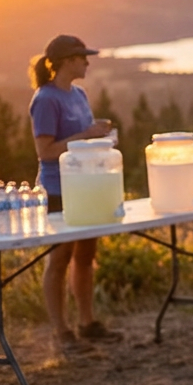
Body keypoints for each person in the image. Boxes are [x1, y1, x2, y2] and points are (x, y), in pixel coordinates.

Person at [28, 35, 118, 348]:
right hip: (57, 189)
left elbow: (84, 140)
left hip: (85, 186)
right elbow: (46, 151)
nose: (87, 62)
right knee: (60, 256)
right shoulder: (45, 100)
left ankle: (87, 323)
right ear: (68, 61)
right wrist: (86, 134)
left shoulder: (78, 94)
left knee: (86, 254)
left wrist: (100, 138)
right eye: (82, 58)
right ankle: (61, 332)